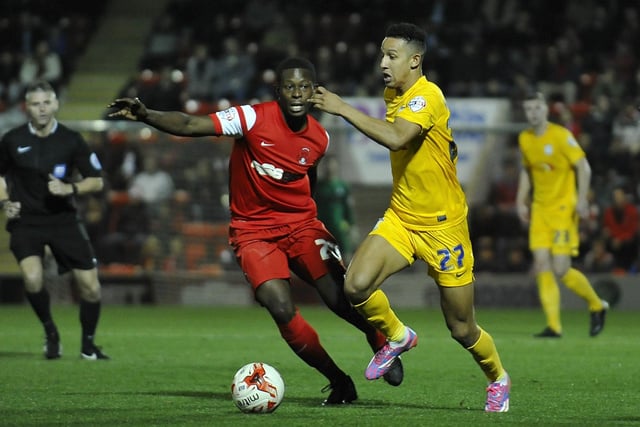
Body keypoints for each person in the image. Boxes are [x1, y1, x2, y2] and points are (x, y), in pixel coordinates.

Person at [107, 57, 402, 405]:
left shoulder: (319, 138)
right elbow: (189, 123)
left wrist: (312, 222)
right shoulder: (250, 118)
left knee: (338, 296)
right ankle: (339, 381)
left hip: (301, 225)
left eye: (304, 86)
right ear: (277, 91)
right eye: (289, 87)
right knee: (277, 306)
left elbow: (309, 179)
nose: (297, 93)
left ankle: (379, 339)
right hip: (253, 232)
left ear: (314, 92)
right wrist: (146, 114)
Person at [309, 23, 510, 412]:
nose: (382, 63)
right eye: (382, 54)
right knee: (355, 286)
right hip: (402, 217)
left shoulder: (427, 96)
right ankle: (399, 336)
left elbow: (398, 138)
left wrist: (341, 106)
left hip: (444, 228)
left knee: (461, 328)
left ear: (415, 60)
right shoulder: (393, 92)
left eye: (391, 56)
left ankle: (497, 378)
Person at [0, 80, 109, 360]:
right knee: (33, 278)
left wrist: (69, 188)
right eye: (35, 104)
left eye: (46, 102)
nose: (42, 109)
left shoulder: (71, 140)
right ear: (27, 107)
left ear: (56, 104)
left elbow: (96, 181)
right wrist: (4, 202)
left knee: (91, 287)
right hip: (26, 221)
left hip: (63, 220)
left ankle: (88, 344)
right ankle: (50, 332)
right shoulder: (12, 139)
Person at [515, 91, 609, 338]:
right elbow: (527, 171)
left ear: (546, 109)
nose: (533, 113)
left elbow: (583, 167)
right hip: (539, 209)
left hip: (562, 209)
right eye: (528, 109)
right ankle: (554, 326)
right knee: (541, 265)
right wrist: (520, 200)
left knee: (561, 268)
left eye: (537, 108)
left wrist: (581, 200)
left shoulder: (560, 135)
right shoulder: (524, 138)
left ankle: (597, 305)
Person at [314, 155, 357, 261]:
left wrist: (352, 226)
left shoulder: (343, 186)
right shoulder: (318, 187)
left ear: (337, 166)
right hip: (323, 228)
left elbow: (348, 207)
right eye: (327, 164)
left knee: (346, 256)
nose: (330, 167)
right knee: (323, 259)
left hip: (340, 228)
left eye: (332, 164)